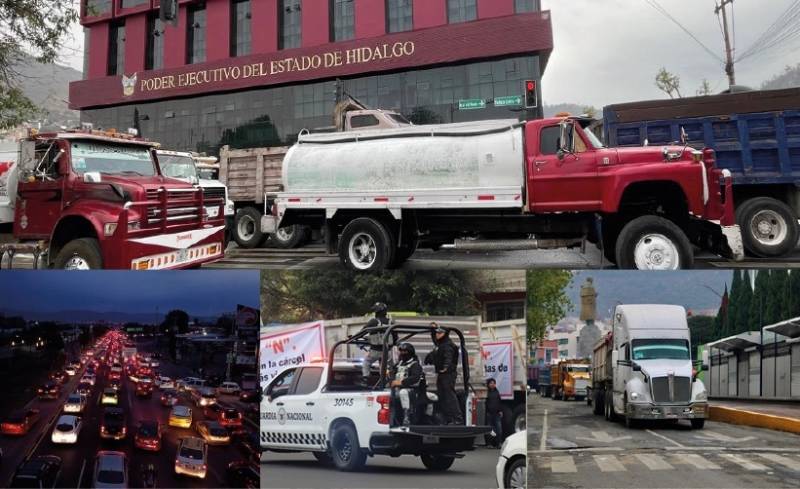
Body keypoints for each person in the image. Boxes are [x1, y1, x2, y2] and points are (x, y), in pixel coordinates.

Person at [425, 322, 463, 425]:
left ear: (445, 334)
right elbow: (435, 340)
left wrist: (445, 367)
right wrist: (432, 330)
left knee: (449, 396)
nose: (437, 334)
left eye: (439, 333)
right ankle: (449, 419)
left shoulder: (448, 345)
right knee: (442, 396)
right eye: (437, 333)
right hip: (442, 374)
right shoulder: (440, 343)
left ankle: (457, 419)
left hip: (448, 374)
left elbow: (448, 357)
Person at [389, 343, 425, 426]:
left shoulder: (415, 364)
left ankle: (407, 416)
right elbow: (392, 374)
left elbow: (415, 378)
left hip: (413, 390)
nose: (402, 353)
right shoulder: (398, 364)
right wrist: (391, 380)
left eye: (405, 351)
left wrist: (401, 382)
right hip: (397, 389)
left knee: (403, 392)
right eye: (401, 351)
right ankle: (391, 418)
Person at [361, 302, 391, 379]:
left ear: (377, 311)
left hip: (375, 350)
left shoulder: (374, 321)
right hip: (387, 351)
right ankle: (386, 380)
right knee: (384, 367)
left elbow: (362, 331)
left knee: (366, 362)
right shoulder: (391, 322)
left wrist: (353, 337)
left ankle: (366, 378)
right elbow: (395, 336)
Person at [486, 378, 504, 447]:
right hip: (489, 414)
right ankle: (490, 444)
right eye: (491, 383)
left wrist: (500, 411)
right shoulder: (487, 393)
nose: (492, 384)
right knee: (491, 430)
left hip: (497, 414)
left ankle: (499, 443)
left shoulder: (497, 392)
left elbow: (499, 402)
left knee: (499, 430)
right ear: (488, 384)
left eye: (493, 383)